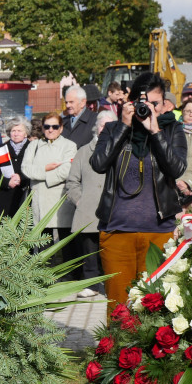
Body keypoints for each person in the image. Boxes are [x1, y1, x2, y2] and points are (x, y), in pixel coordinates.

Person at [91, 72, 188, 306]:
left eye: (155, 104)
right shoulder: (113, 129)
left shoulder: (172, 130)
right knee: (119, 309)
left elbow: (176, 169)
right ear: (131, 103)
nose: (150, 109)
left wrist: (156, 132)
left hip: (159, 232)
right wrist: (124, 126)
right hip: (117, 232)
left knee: (154, 309)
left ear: (164, 104)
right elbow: (99, 163)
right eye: (144, 104)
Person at [65, 110, 117, 297]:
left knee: (113, 251)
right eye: (103, 124)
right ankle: (91, 285)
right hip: (89, 210)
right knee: (89, 250)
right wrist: (79, 200)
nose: (106, 128)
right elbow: (72, 181)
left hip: (115, 210)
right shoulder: (84, 151)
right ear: (97, 127)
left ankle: (114, 285)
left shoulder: (122, 149)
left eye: (111, 125)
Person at [22, 112, 77, 238]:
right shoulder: (33, 145)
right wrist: (46, 169)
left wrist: (43, 176)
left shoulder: (70, 146)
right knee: (43, 247)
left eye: (55, 127)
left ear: (61, 128)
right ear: (42, 128)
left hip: (60, 200)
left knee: (66, 248)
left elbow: (66, 170)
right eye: (47, 127)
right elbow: (26, 169)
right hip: (39, 200)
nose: (50, 130)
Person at [0, 117, 32, 219]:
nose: (16, 134)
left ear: (26, 133)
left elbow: (35, 169)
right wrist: (7, 182)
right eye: (13, 131)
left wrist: (21, 178)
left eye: (19, 131)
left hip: (24, 195)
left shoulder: (32, 148)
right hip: (4, 197)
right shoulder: (1, 149)